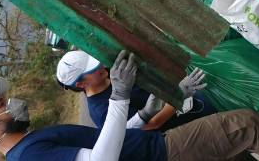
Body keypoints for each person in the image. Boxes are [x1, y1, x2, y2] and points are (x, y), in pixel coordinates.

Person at [0, 51, 259, 161]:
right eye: (0, 105)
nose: (11, 104)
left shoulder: (29, 145)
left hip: (151, 147)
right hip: (157, 153)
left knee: (237, 145)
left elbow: (102, 142)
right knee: (246, 126)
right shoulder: (29, 156)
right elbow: (101, 159)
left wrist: (142, 114)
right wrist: (120, 96)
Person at [56, 50, 217, 131]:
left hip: (180, 99)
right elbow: (151, 124)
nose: (99, 66)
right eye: (92, 69)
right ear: (81, 84)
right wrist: (179, 95)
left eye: (95, 62)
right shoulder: (101, 111)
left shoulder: (113, 73)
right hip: (177, 122)